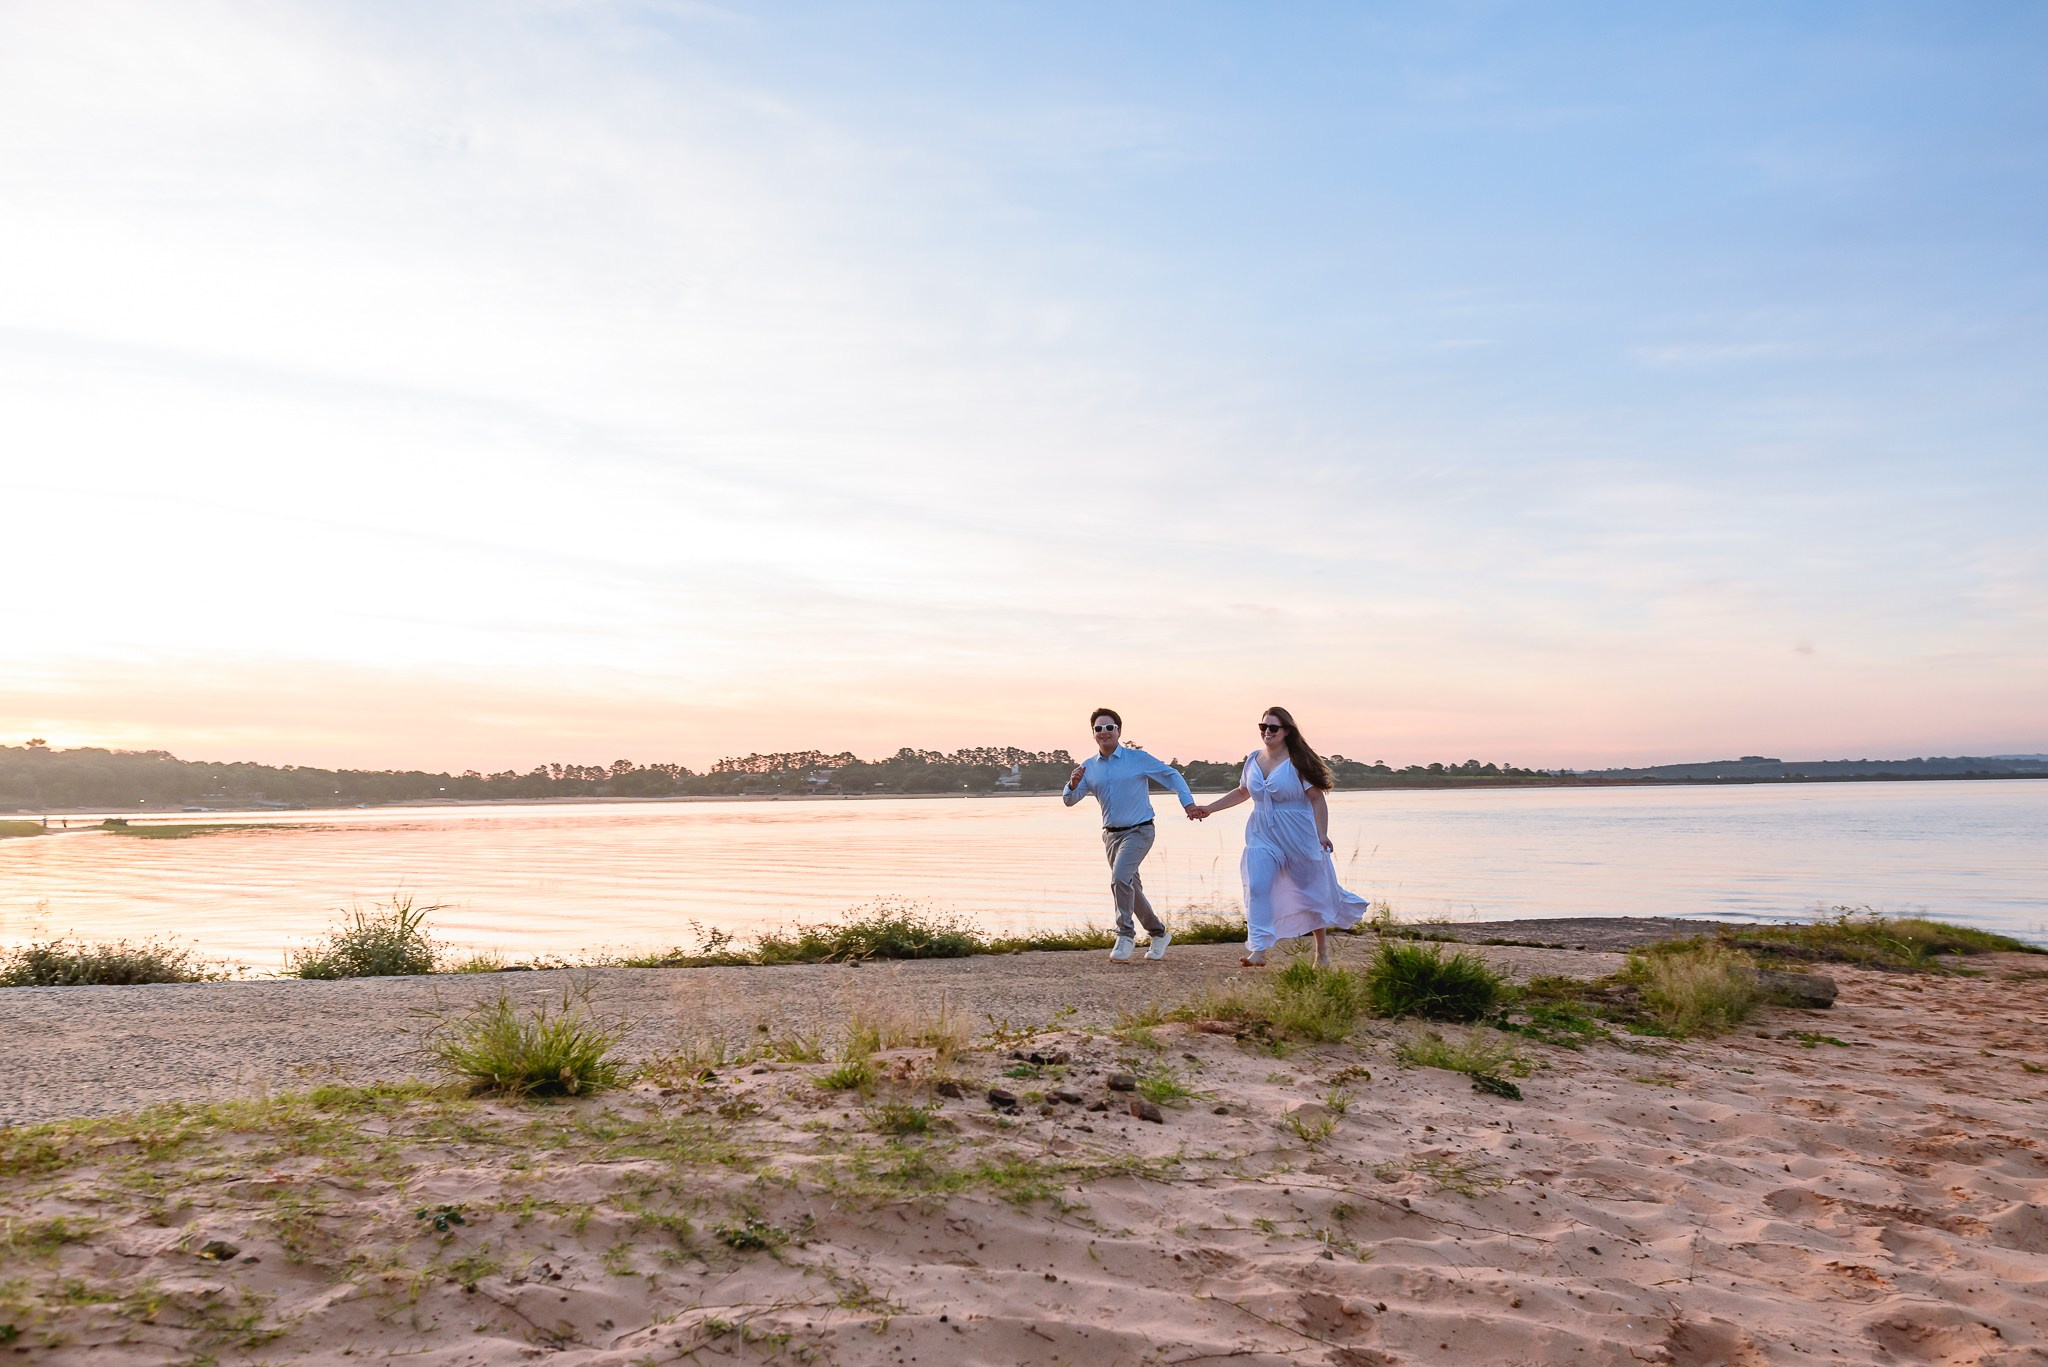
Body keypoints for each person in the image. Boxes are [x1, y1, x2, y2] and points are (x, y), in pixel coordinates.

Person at [1190, 706, 1367, 969]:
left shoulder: (1299, 762)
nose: (1267, 732)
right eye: (1263, 727)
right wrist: (1209, 809)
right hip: (1262, 833)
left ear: (1286, 731)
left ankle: (1322, 953)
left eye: (1273, 728)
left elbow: (1317, 800)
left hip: (1299, 835)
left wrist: (1322, 834)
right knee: (1258, 886)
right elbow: (1242, 792)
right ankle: (1259, 950)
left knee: (1311, 892)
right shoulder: (1253, 759)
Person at [1062, 707, 1201, 963]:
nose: (1104, 732)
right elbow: (1070, 800)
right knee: (1129, 888)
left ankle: (1125, 934)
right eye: (1098, 729)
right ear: (1093, 734)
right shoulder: (1088, 767)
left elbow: (1172, 776)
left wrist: (1188, 804)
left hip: (1140, 830)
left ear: (1119, 731)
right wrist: (1071, 784)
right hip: (1111, 836)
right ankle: (1159, 934)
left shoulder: (1137, 759)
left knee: (1119, 878)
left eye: (1109, 727)